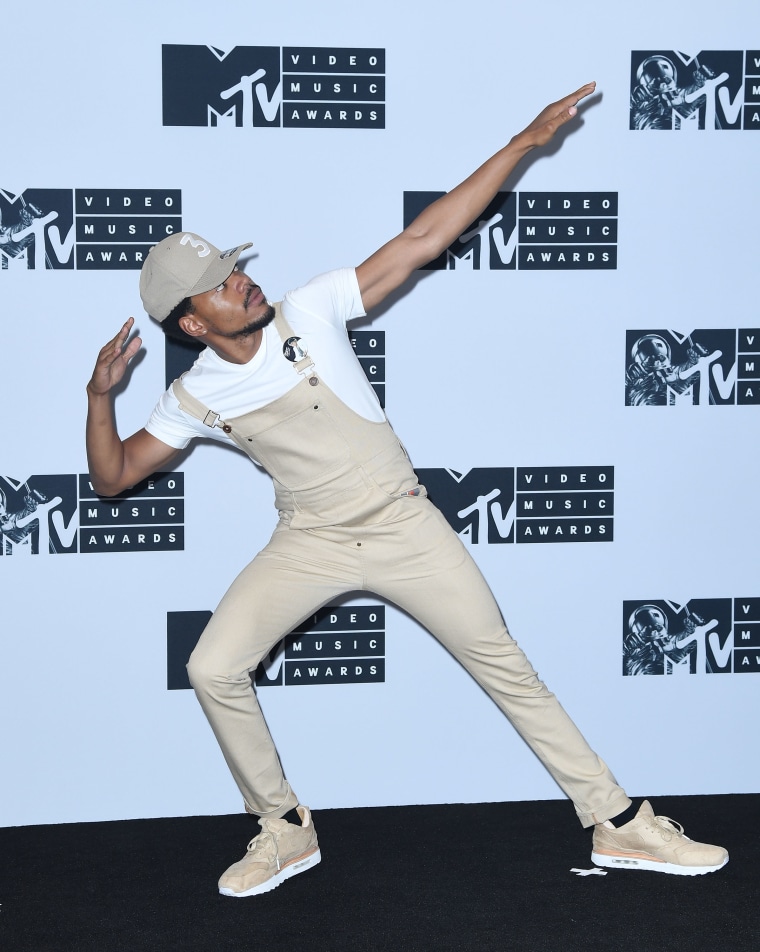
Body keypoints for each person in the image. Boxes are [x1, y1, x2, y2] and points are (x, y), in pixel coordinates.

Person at [86, 83, 728, 897]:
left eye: (235, 266)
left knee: (509, 670)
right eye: (221, 282)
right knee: (214, 665)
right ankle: (282, 830)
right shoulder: (194, 395)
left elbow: (424, 237)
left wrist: (524, 142)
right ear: (192, 324)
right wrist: (99, 398)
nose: (243, 280)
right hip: (309, 540)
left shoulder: (311, 309)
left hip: (404, 526)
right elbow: (112, 479)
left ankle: (619, 822)